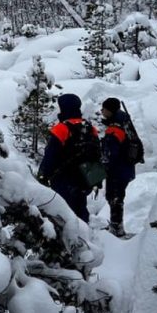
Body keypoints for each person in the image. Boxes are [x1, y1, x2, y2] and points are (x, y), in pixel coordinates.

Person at [37, 93, 101, 224]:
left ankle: (69, 240)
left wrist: (42, 175)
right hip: (85, 176)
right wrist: (95, 180)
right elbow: (96, 154)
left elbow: (51, 155)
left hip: (64, 179)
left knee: (64, 213)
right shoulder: (90, 128)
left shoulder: (61, 128)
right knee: (80, 208)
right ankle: (85, 237)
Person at [100, 97, 136, 237]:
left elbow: (111, 154)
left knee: (114, 197)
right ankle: (116, 226)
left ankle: (116, 228)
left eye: (104, 108)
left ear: (110, 110)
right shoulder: (125, 122)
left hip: (117, 169)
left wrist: (104, 165)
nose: (101, 111)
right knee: (117, 197)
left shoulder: (114, 129)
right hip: (126, 167)